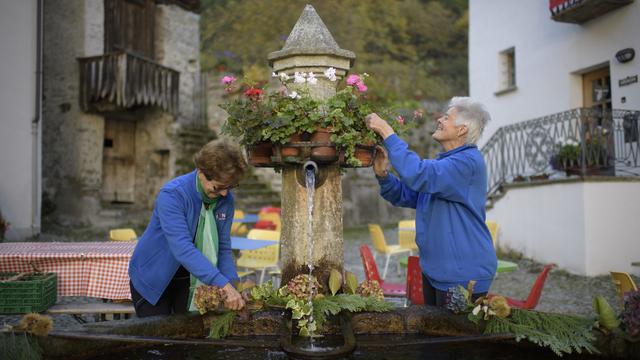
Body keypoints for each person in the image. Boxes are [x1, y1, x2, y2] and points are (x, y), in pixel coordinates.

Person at [365, 97, 497, 307]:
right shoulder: (445, 164)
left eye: (447, 117)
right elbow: (407, 195)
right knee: (436, 335)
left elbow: (417, 173)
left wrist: (387, 132)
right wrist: (383, 175)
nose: (439, 120)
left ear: (462, 129)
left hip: (462, 274)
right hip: (437, 271)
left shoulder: (467, 163)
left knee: (454, 338)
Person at [128, 139, 248, 317]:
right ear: (201, 173)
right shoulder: (173, 195)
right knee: (158, 340)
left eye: (230, 187)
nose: (224, 193)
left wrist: (232, 286)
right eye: (219, 187)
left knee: (188, 337)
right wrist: (221, 284)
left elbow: (223, 247)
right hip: (154, 276)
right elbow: (182, 248)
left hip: (190, 278)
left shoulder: (225, 200)